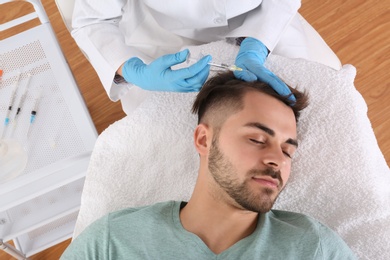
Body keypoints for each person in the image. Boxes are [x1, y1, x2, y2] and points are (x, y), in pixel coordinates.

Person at [61, 72, 356, 259]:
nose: (276, 160)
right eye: (256, 139)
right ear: (204, 139)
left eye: (287, 151)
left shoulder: (313, 248)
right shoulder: (115, 241)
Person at [72, 0, 311, 114]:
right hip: (163, 35)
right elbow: (90, 21)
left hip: (260, 18)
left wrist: (258, 43)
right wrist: (134, 70)